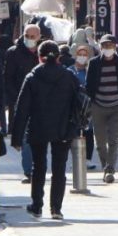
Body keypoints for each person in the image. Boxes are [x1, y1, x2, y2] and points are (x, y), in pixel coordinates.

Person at [11, 41, 79, 220]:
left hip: (38, 127)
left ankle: (37, 206)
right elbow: (78, 103)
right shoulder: (68, 76)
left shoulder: (32, 77)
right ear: (58, 57)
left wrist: (17, 138)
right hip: (63, 128)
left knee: (38, 166)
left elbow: (22, 109)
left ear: (39, 56)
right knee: (59, 167)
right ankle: (56, 208)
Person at [85, 34, 118, 184]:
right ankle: (105, 165)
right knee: (100, 142)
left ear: (115, 47)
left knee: (114, 140)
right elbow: (89, 85)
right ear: (100, 47)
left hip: (117, 106)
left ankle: (110, 170)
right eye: (105, 46)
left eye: (110, 46)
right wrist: (92, 102)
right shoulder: (93, 63)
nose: (108, 49)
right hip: (98, 106)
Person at [4, 24, 41, 183]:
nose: (29, 39)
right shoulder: (13, 53)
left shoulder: (43, 52)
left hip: (42, 102)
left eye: (33, 37)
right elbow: (8, 79)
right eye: (27, 35)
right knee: (26, 137)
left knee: (40, 137)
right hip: (22, 102)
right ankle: (29, 170)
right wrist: (16, 99)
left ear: (39, 37)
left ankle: (39, 167)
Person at [68, 44, 96, 170]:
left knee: (88, 132)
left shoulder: (90, 70)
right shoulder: (70, 70)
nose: (82, 57)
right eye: (80, 54)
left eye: (85, 55)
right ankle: (76, 158)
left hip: (88, 105)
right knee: (74, 132)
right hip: (74, 105)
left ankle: (88, 159)